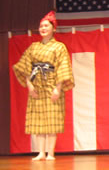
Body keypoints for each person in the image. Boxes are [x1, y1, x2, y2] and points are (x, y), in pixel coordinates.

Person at [12, 11, 74, 161]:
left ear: (53, 28)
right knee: (38, 120)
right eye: (41, 26)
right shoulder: (33, 47)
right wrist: (29, 85)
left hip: (52, 83)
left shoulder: (59, 47)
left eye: (46, 25)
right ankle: (40, 152)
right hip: (37, 85)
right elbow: (25, 65)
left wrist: (57, 88)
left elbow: (63, 67)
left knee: (52, 120)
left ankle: (50, 153)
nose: (43, 28)